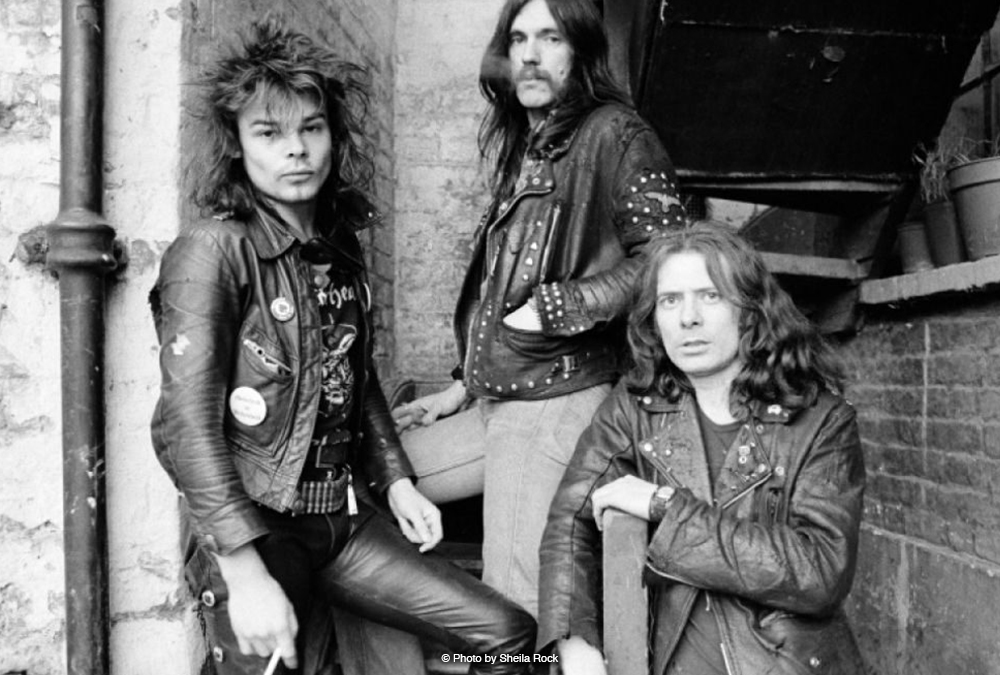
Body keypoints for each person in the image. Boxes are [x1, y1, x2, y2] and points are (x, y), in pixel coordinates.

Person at [149, 19, 535, 675]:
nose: (295, 150)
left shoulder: (339, 248)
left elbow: (356, 379)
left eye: (312, 127)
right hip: (257, 527)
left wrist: (398, 481)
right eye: (269, 134)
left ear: (333, 135)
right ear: (236, 145)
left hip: (340, 519)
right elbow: (184, 429)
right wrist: (244, 571)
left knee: (507, 635)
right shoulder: (214, 250)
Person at [392, 0, 686, 617]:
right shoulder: (529, 145)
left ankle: (509, 659)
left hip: (558, 396)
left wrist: (561, 307)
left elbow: (670, 260)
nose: (530, 54)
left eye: (550, 38)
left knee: (517, 599)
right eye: (519, 38)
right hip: (500, 400)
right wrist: (460, 387)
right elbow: (502, 287)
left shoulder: (616, 133)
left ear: (580, 52)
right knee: (372, 489)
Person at [538, 222, 867, 674]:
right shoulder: (633, 407)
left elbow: (820, 571)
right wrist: (574, 639)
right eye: (670, 300)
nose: (687, 318)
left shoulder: (819, 420)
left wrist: (665, 507)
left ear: (750, 310)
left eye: (710, 296)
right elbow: (569, 521)